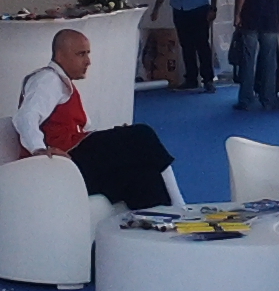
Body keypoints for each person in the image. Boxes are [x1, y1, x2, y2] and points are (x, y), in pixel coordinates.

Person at [13, 28, 174, 210]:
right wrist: (38, 150)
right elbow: (25, 116)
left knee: (141, 175)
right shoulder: (47, 80)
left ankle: (161, 219)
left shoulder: (61, 82)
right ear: (60, 55)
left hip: (74, 160)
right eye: (81, 54)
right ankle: (179, 205)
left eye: (88, 54)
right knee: (142, 135)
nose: (88, 61)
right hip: (64, 162)